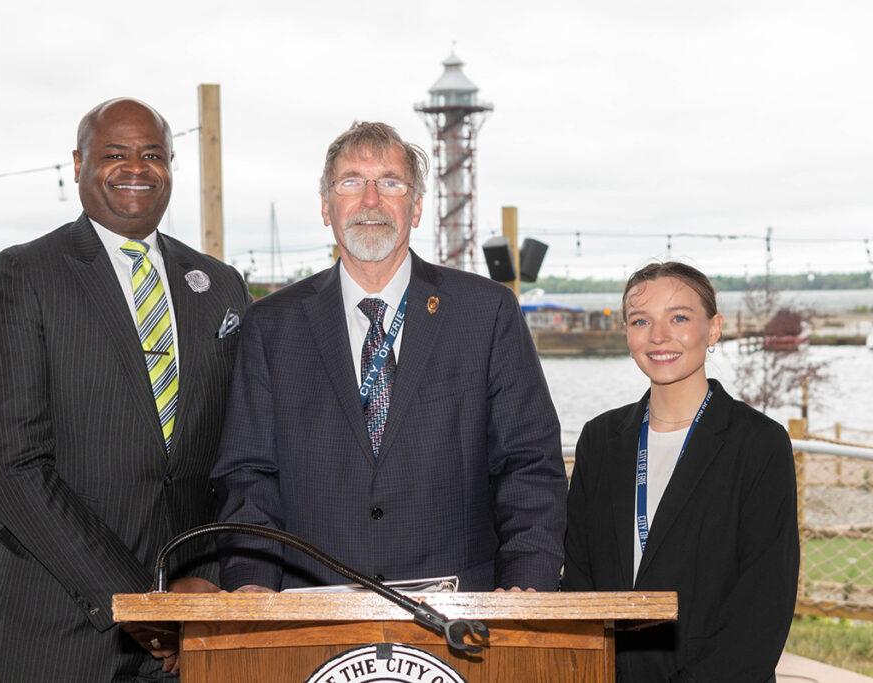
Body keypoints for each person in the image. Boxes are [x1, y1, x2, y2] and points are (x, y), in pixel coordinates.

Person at [0, 98, 251, 681]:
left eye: (152, 154)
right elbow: (10, 467)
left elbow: (239, 451)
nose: (135, 168)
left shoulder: (218, 285)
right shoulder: (23, 276)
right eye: (114, 154)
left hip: (189, 625)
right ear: (77, 162)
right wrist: (134, 599)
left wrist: (208, 577)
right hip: (55, 630)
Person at [211, 121, 567, 593]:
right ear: (325, 207)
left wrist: (528, 584)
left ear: (416, 207)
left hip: (462, 615)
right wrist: (251, 583)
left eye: (391, 183)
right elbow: (248, 474)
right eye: (351, 182)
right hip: (308, 615)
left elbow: (528, 462)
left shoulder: (485, 312)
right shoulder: (271, 325)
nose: (371, 200)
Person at [563, 262, 799, 682]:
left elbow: (764, 604)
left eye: (679, 317)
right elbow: (579, 577)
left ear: (713, 329)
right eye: (641, 321)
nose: (659, 336)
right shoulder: (599, 440)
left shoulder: (759, 444)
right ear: (627, 335)